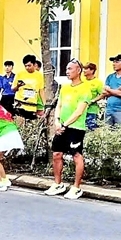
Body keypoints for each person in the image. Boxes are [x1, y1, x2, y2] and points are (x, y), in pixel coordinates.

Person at [45, 60, 89, 200]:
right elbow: (59, 105)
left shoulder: (85, 88)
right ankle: (58, 184)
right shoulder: (65, 87)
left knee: (76, 155)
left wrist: (65, 125)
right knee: (57, 154)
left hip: (76, 128)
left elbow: (79, 112)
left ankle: (76, 187)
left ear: (78, 70)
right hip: (62, 127)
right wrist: (57, 121)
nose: (67, 71)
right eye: (66, 69)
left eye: (70, 69)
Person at [12, 55, 44, 121]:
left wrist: (44, 104)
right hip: (20, 104)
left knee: (30, 124)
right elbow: (13, 89)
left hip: (32, 105)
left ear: (34, 65)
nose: (27, 68)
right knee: (19, 123)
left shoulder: (39, 75)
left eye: (29, 65)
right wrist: (18, 86)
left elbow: (41, 91)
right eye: (25, 66)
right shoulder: (20, 74)